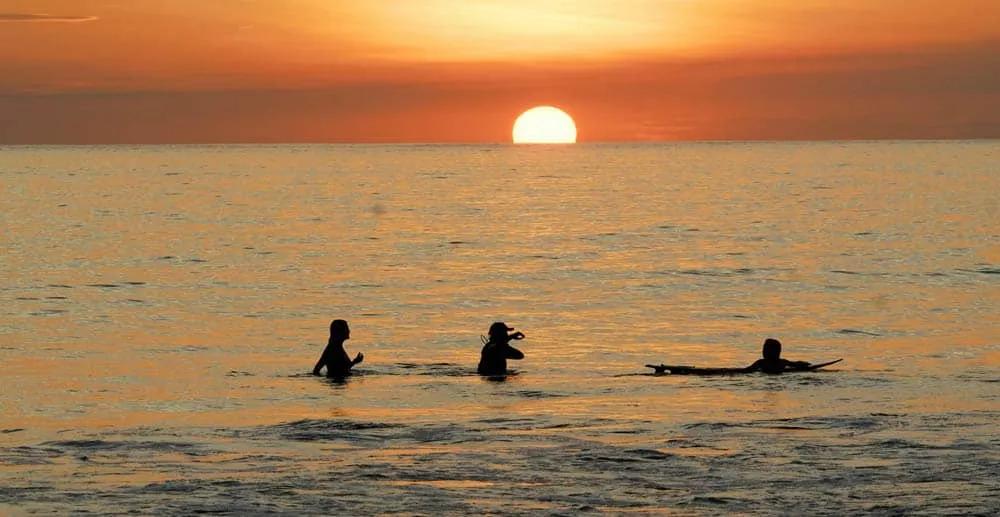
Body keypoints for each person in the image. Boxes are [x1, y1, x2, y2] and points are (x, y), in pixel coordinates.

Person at [742, 338, 811, 374]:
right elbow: (795, 364)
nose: (763, 351)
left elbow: (747, 370)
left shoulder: (761, 363)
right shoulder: (783, 362)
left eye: (765, 349)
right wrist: (805, 364)